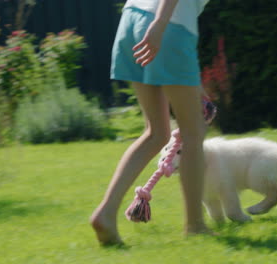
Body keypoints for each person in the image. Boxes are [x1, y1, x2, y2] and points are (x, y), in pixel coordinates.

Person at [90, 0, 211, 245]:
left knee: (156, 133)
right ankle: (195, 226)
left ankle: (106, 213)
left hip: (132, 20)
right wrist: (159, 24)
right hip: (166, 27)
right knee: (193, 134)